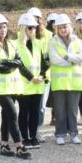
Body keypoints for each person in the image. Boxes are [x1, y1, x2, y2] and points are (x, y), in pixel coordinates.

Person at [0, 14, 31, 159]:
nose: (3, 30)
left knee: (6, 116)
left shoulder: (11, 44)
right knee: (12, 113)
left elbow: (19, 62)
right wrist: (11, 66)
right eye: (0, 27)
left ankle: (4, 146)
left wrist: (30, 77)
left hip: (10, 87)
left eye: (4, 27)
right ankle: (19, 147)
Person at [49, 13, 82, 145]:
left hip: (74, 83)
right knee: (60, 110)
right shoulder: (53, 42)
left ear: (69, 27)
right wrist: (72, 60)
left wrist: (67, 57)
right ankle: (60, 134)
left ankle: (74, 134)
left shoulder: (77, 41)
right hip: (59, 83)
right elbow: (54, 60)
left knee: (72, 110)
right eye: (60, 28)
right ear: (57, 29)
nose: (63, 30)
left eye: (65, 27)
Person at [16, 13, 48, 148]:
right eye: (30, 28)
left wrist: (41, 75)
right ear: (23, 28)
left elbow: (44, 63)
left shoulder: (37, 44)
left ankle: (33, 136)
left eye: (34, 28)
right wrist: (31, 77)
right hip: (24, 86)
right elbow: (18, 64)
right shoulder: (16, 45)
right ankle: (25, 137)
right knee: (24, 112)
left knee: (35, 112)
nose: (33, 30)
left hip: (37, 85)